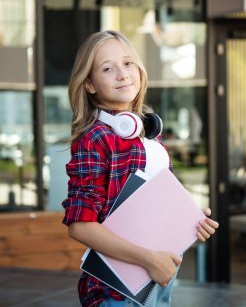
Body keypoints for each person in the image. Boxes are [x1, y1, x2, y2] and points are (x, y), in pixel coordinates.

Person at [62, 30, 219, 307]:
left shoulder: (147, 133)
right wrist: (149, 259)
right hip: (117, 290)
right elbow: (80, 226)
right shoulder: (95, 138)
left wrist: (192, 221)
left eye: (128, 63)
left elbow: (155, 207)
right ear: (89, 84)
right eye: (108, 68)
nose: (122, 74)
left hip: (158, 279)